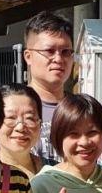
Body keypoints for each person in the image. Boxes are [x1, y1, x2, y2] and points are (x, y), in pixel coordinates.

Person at [22, 11, 75, 164]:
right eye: (49, 51)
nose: (58, 59)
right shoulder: (9, 107)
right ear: (28, 56)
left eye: (66, 52)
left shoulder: (81, 109)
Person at [0, 83, 52, 178]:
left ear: (40, 123)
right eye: (10, 117)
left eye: (29, 118)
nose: (20, 127)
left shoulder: (54, 172)